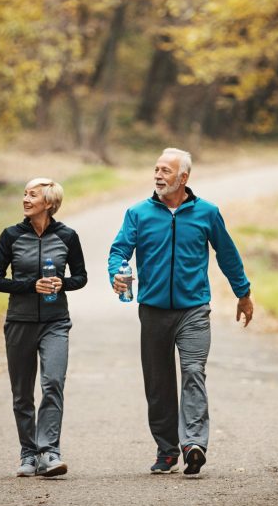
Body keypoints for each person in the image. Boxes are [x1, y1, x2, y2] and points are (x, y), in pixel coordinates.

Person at [108, 148, 253, 476]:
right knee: (158, 384)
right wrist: (118, 272)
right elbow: (119, 250)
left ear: (183, 178)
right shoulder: (138, 213)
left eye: (166, 171)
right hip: (153, 310)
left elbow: (227, 254)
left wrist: (243, 293)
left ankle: (194, 444)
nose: (158, 175)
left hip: (194, 310)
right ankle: (167, 449)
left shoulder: (207, 213)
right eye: (156, 169)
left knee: (193, 372)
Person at [0, 177, 87, 477]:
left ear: (49, 202)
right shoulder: (11, 236)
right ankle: (28, 453)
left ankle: (49, 452)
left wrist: (62, 282)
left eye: (32, 195)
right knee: (22, 393)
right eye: (25, 194)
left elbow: (80, 277)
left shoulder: (68, 236)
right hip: (19, 322)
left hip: (56, 322)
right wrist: (32, 286)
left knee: (53, 383)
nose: (26, 199)